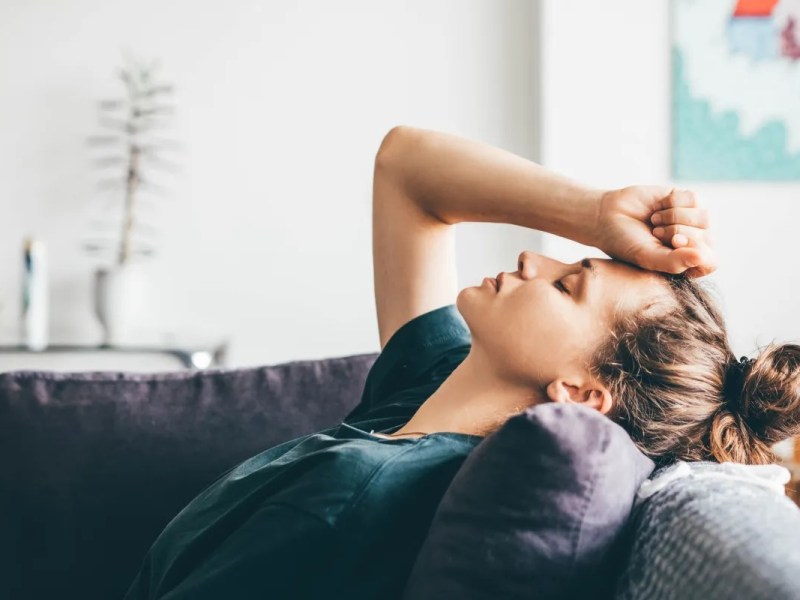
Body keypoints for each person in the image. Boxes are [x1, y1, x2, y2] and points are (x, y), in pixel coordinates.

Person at [124, 126, 800, 599]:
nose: (537, 259)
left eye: (569, 284)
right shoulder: (431, 385)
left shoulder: (356, 492)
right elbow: (407, 166)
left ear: (580, 392)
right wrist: (597, 216)